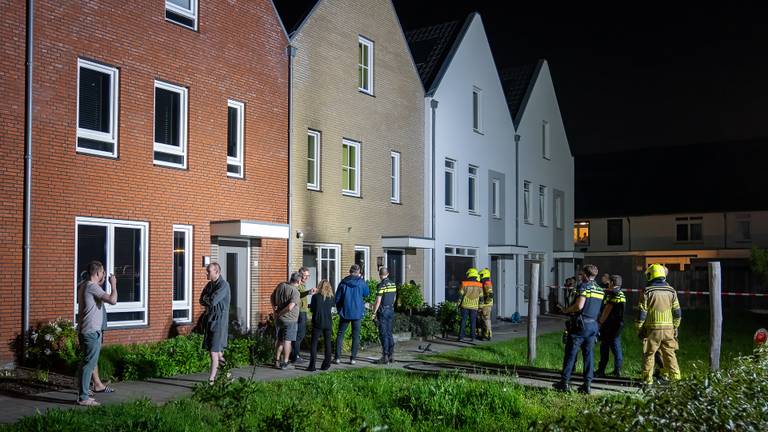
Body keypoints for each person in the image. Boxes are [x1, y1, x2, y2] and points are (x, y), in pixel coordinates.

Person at [553, 264, 604, 394]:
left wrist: (565, 310)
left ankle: (564, 382)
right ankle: (587, 384)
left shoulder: (584, 286)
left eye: (581, 274)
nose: (580, 277)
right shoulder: (600, 290)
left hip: (581, 325)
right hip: (593, 325)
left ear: (586, 275)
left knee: (571, 353)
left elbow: (579, 306)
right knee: (589, 355)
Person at [76, 261, 118, 406]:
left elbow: (96, 297)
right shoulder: (92, 287)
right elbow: (113, 300)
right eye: (102, 273)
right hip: (91, 331)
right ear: (98, 273)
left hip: (83, 330)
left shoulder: (83, 286)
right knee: (89, 364)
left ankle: (86, 391)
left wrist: (100, 281)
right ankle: (83, 397)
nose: (103, 276)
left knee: (86, 362)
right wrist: (113, 284)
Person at [637, 263, 682, 385]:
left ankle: (647, 382)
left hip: (652, 329)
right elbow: (677, 312)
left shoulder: (647, 291)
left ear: (651, 275)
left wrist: (639, 328)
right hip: (669, 329)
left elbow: (642, 312)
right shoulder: (672, 291)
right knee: (670, 355)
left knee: (649, 355)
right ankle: (676, 380)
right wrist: (675, 327)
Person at [200, 262, 231, 383]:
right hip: (210, 320)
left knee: (213, 351)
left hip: (219, 322)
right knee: (217, 352)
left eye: (209, 271)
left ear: (216, 272)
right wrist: (207, 299)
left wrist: (206, 299)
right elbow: (201, 299)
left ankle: (211, 380)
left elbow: (212, 301)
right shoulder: (209, 285)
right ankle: (228, 375)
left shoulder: (223, 285)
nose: (206, 273)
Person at [334, 264, 370, 365]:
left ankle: (337, 358)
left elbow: (337, 298)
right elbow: (367, 294)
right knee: (356, 336)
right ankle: (353, 359)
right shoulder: (361, 283)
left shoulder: (343, 282)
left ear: (350, 271)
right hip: (357, 313)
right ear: (358, 272)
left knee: (340, 334)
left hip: (345, 312)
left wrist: (339, 309)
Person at [596, 274, 626, 377]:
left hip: (609, 325)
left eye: (609, 282)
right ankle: (617, 370)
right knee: (616, 347)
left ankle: (601, 370)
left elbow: (607, 310)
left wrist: (600, 323)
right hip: (618, 325)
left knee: (604, 348)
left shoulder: (612, 294)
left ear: (612, 283)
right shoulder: (621, 293)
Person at [271, 272, 302, 370]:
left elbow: (271, 297)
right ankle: (285, 363)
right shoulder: (295, 292)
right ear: (298, 281)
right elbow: (290, 307)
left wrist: (275, 310)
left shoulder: (281, 285)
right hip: (290, 320)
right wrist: (279, 313)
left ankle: (276, 361)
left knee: (279, 340)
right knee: (287, 341)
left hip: (279, 320)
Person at [307, 279, 334, 371]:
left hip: (317, 322)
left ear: (319, 286)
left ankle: (312, 366)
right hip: (328, 322)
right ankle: (326, 364)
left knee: (314, 344)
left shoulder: (315, 297)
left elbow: (312, 309)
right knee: (328, 344)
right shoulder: (331, 297)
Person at [372, 267, 397, 364]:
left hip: (383, 311)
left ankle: (385, 356)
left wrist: (374, 313)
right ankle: (391, 355)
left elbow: (378, 301)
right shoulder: (393, 284)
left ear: (380, 275)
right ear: (388, 274)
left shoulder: (381, 285)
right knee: (389, 332)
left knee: (383, 334)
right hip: (390, 309)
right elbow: (394, 298)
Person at [290, 267, 312, 364]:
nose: (307, 277)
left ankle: (294, 354)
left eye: (308, 275)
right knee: (300, 334)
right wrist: (308, 292)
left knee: (299, 334)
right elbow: (298, 295)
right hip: (299, 312)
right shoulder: (297, 285)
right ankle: (295, 356)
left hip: (303, 310)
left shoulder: (302, 284)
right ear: (300, 274)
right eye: (305, 275)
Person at [458, 268, 483, 342]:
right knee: (473, 322)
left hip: (465, 306)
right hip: (474, 307)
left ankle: (461, 337)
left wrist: (458, 304)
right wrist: (480, 307)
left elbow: (460, 295)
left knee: (463, 321)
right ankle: (473, 337)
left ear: (469, 274)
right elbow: (481, 298)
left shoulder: (464, 283)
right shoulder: (480, 285)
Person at [477, 268, 494, 340]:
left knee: (485, 319)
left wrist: (486, 301)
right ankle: (487, 333)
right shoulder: (486, 282)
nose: (480, 277)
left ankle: (487, 333)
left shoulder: (486, 283)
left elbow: (490, 294)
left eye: (481, 275)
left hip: (485, 305)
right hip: (486, 304)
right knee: (485, 319)